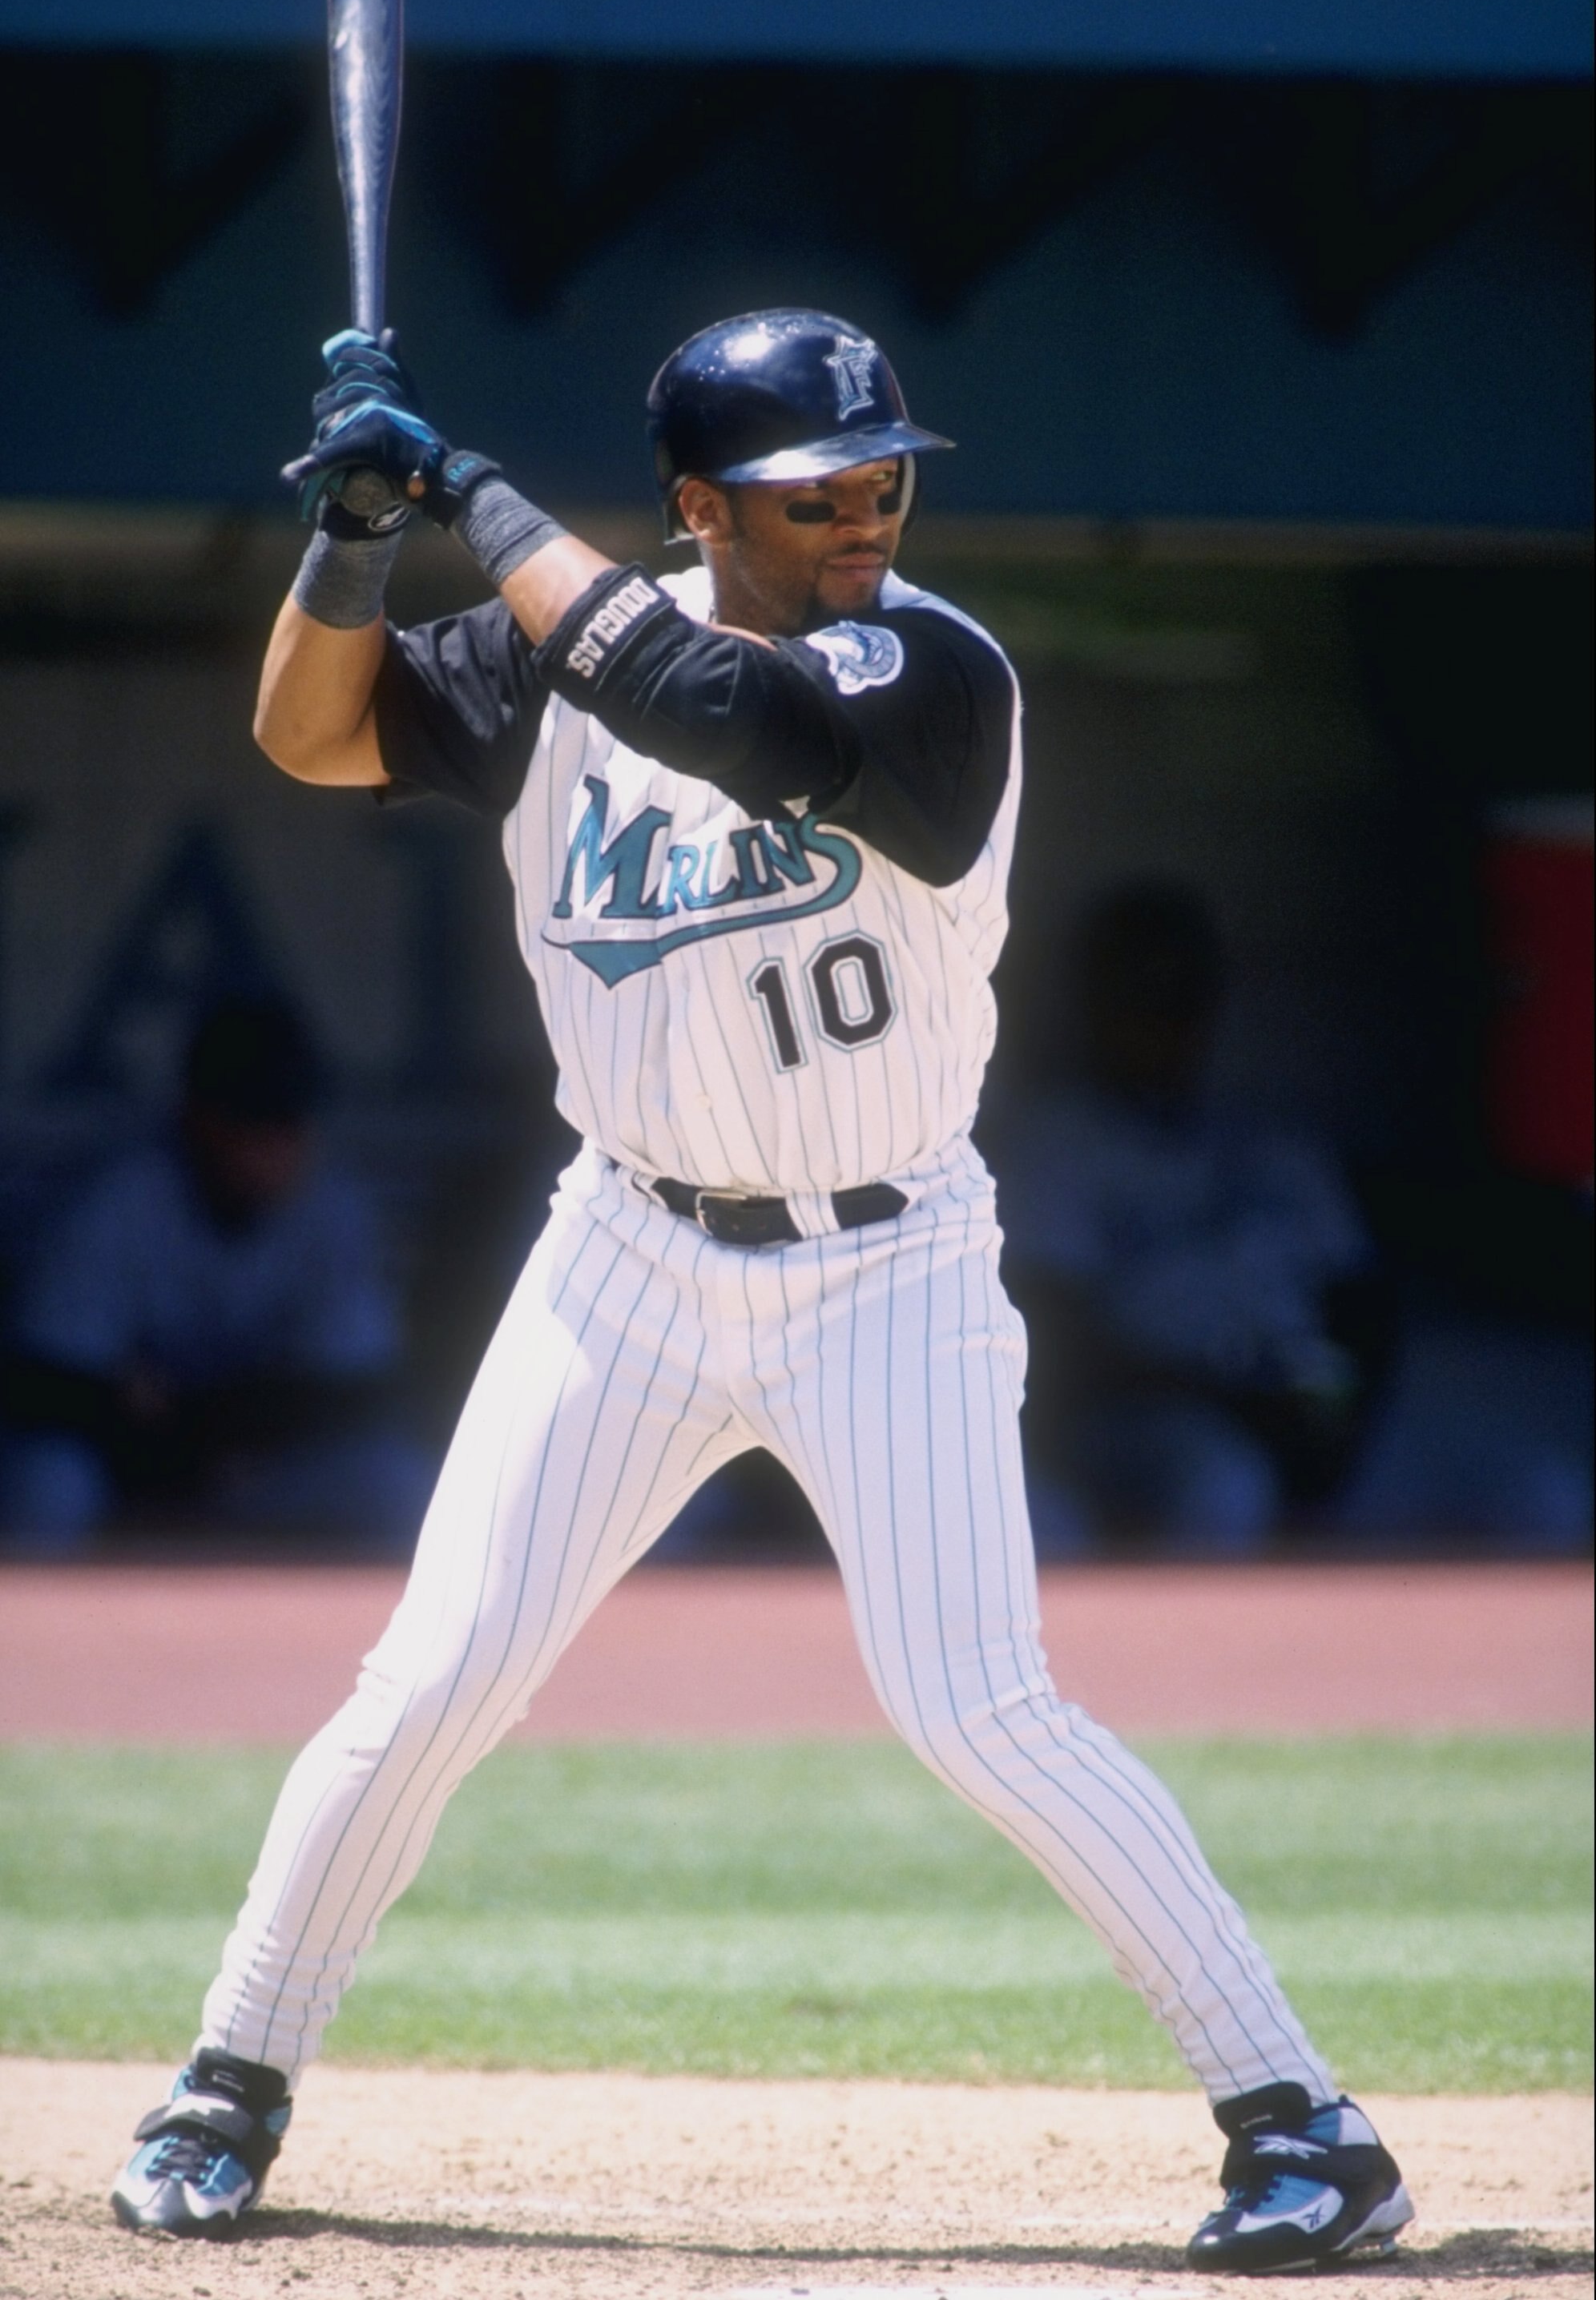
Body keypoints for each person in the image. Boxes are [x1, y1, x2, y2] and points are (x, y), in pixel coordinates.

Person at [111, 309, 1413, 2267]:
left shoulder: (927, 662)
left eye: (883, 477)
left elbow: (728, 717)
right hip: (623, 1250)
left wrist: (461, 482)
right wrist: (358, 535)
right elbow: (307, 730)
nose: (864, 515)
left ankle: (1301, 2121)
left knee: (975, 1703)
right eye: (817, 491)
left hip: (886, 1256)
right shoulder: (552, 649)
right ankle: (227, 2079)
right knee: (434, 1673)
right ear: (701, 503)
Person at [993, 882, 1386, 1551]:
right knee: (1222, 1483)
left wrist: (1337, 1406)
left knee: (1530, 1491)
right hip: (1143, 1418)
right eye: (1143, 993)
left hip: (1300, 1410)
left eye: (1185, 994)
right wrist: (1231, 1400)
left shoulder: (1272, 1146)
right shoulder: (1052, 1144)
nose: (1166, 1018)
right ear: (1095, 1001)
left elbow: (1366, 1307)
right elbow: (1053, 1336)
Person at [1, 998, 427, 1553]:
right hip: (122, 1462)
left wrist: (220, 1423)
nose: (274, 1145)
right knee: (48, 1484)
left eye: (288, 1120)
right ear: (198, 1116)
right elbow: (41, 1376)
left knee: (400, 1485)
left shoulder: (331, 1211)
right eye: (254, 1118)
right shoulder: (122, 1201)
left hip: (258, 1464)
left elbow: (358, 1387)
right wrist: (157, 1431)